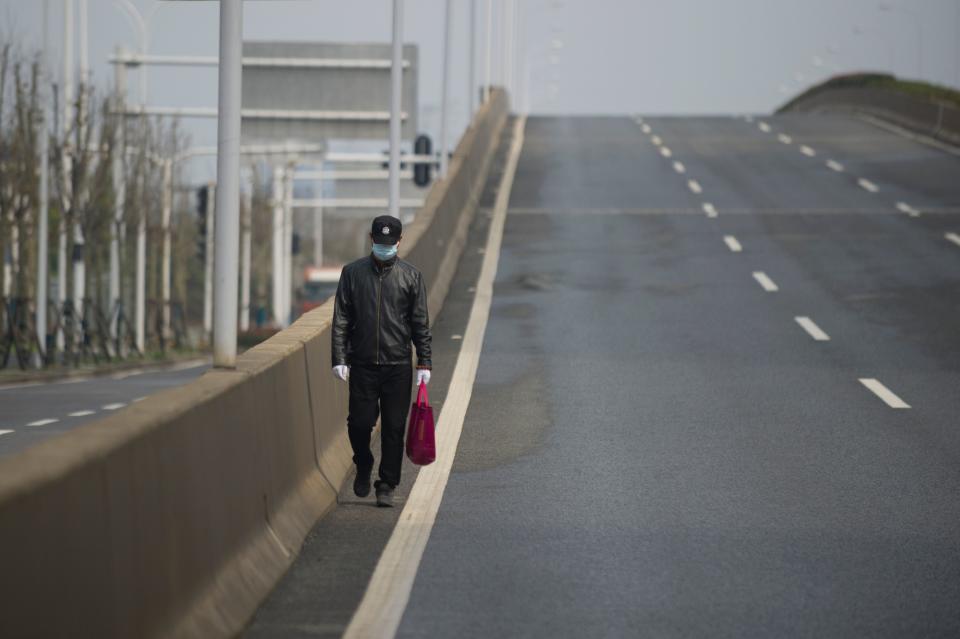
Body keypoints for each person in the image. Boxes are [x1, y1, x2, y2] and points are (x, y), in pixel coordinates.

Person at [332, 215, 432, 507]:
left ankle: (387, 483)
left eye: (391, 243)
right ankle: (363, 462)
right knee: (360, 424)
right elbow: (341, 319)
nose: (385, 247)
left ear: (399, 242)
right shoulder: (352, 274)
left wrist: (424, 362)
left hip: (397, 365)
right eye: (380, 242)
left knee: (394, 427)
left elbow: (420, 323)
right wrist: (339, 358)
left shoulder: (411, 277)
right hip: (362, 364)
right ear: (371, 239)